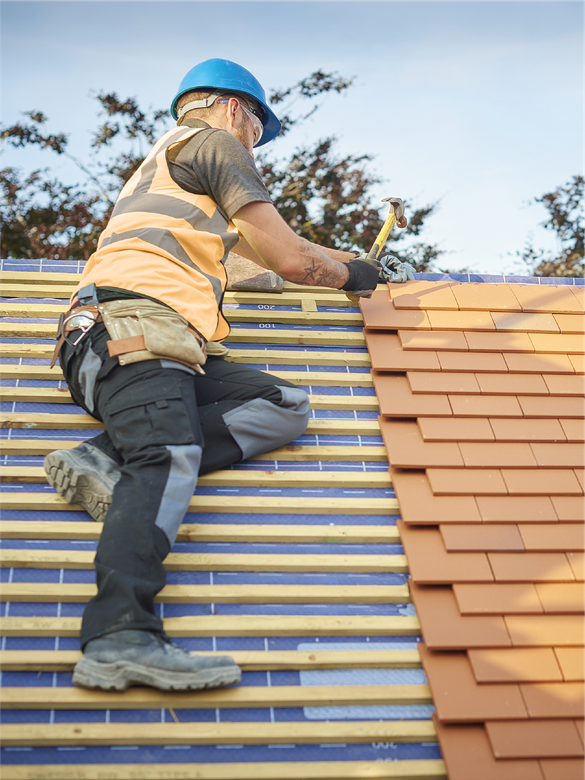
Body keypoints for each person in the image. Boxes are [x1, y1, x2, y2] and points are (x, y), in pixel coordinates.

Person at [44, 59, 381, 694]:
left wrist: (354, 262)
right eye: (259, 124)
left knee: (281, 405)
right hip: (135, 327)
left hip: (130, 339)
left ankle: (105, 457)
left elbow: (271, 256)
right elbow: (290, 258)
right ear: (232, 108)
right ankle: (121, 635)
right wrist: (354, 280)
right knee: (169, 455)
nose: (257, 140)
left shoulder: (175, 175)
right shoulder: (217, 144)